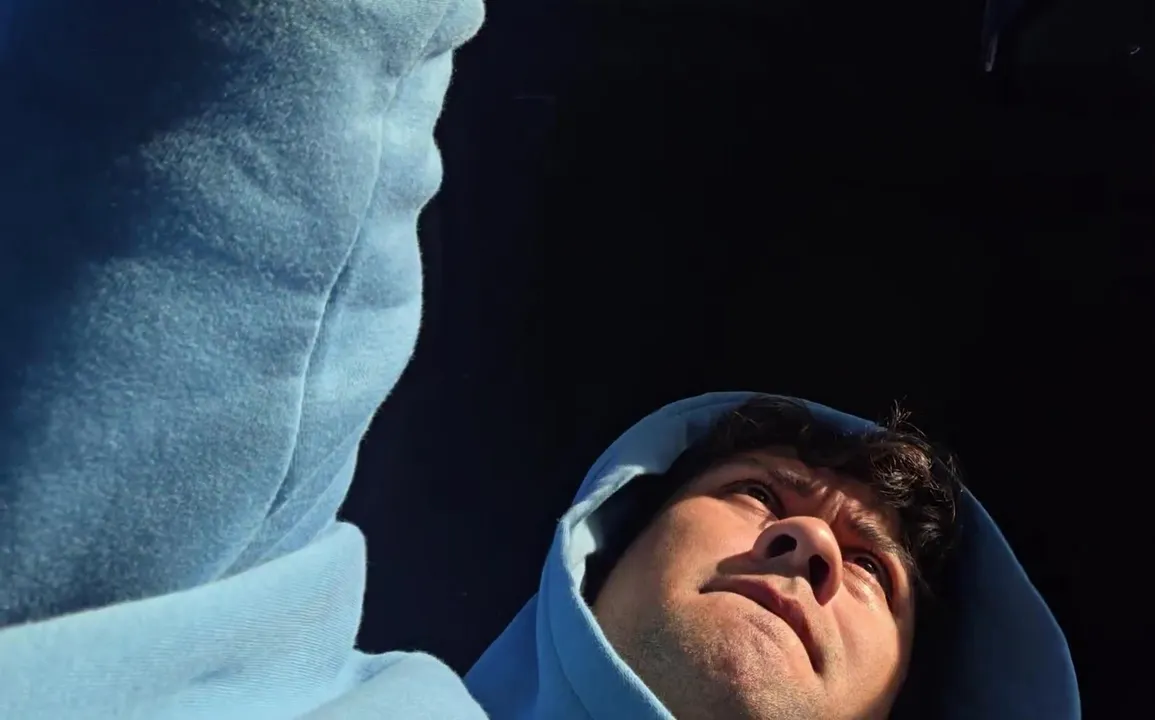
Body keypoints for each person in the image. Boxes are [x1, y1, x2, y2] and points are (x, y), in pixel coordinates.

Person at [0, 1, 1079, 718]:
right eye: (756, 494)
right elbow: (248, 142)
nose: (805, 544)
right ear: (606, 548)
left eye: (875, 572)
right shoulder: (252, 674)